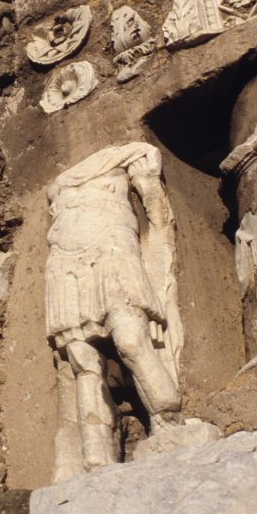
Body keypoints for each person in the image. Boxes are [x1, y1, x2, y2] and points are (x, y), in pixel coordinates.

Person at [45, 142, 183, 481]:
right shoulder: (57, 187)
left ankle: (169, 423)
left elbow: (157, 210)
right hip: (65, 260)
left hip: (113, 247)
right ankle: (95, 457)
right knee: (82, 360)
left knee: (131, 339)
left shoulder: (136, 155)